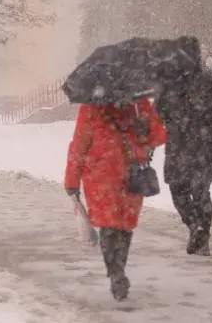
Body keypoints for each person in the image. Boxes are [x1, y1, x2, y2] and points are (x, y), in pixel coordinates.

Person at [64, 99, 167, 301]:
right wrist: (71, 179)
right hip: (104, 176)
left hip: (127, 175)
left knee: (124, 226)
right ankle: (116, 272)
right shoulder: (94, 106)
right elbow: (80, 143)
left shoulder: (138, 104)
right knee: (111, 225)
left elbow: (159, 136)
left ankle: (116, 268)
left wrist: (146, 128)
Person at [154, 36, 212, 256]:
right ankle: (202, 236)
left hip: (180, 146)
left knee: (178, 191)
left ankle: (194, 226)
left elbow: (156, 115)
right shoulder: (211, 79)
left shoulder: (169, 82)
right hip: (207, 145)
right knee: (202, 192)